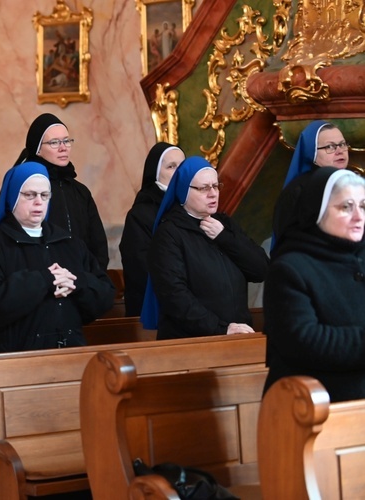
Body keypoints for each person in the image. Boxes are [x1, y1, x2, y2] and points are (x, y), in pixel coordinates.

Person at [0, 162, 115, 353]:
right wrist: (44, 280)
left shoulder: (70, 243)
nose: (39, 202)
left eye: (45, 195)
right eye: (30, 195)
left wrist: (77, 282)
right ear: (13, 197)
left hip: (72, 352)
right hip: (19, 358)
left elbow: (105, 296)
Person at [264, 167, 365, 402]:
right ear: (317, 212)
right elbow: (304, 340)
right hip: (309, 407)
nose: (358, 216)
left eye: (363, 206)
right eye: (346, 207)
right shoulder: (289, 268)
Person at [141, 156, 269, 340]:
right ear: (184, 190)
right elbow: (175, 296)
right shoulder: (169, 234)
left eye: (216, 186)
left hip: (237, 335)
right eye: (203, 188)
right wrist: (221, 328)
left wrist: (225, 238)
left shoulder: (225, 225)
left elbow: (261, 270)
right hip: (192, 341)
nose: (213, 194)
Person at [0, 113, 110, 271]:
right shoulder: (21, 188)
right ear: (37, 149)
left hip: (80, 285)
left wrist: (91, 281)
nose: (63, 147)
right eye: (54, 142)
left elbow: (98, 245)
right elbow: (1, 242)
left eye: (67, 141)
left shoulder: (81, 192)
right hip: (38, 285)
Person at [119, 143, 185, 316]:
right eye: (171, 167)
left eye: (182, 166)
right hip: (155, 310)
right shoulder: (140, 214)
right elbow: (141, 268)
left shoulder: (192, 209)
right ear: (156, 173)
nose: (179, 172)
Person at [272, 120, 349, 253]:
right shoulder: (300, 190)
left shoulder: (352, 183)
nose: (339, 151)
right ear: (312, 152)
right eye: (330, 147)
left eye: (342, 144)